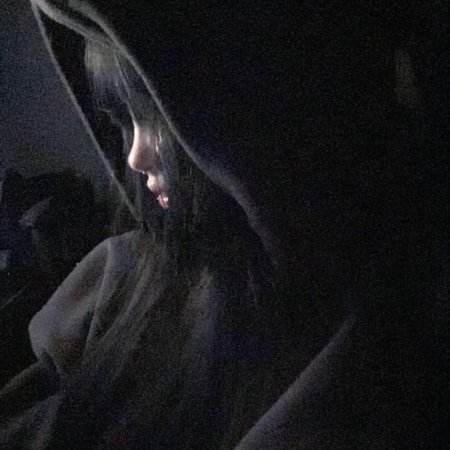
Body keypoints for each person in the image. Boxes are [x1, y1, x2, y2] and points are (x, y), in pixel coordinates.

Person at [0, 1, 447, 448]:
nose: (134, 155)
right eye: (125, 122)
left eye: (153, 115)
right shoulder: (125, 270)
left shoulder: (382, 345)